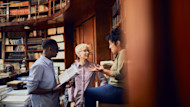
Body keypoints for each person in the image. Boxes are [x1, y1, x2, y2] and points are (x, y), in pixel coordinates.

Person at [84, 28, 126, 107]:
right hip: (116, 87)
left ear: (118, 43)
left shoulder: (123, 53)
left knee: (88, 93)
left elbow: (119, 75)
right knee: (91, 91)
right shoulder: (120, 54)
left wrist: (103, 70)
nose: (109, 47)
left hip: (119, 89)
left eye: (110, 44)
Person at [27, 39, 66, 107]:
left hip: (52, 102)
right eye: (57, 49)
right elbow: (31, 90)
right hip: (44, 103)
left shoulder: (49, 63)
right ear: (50, 49)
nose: (58, 51)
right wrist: (52, 90)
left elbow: (48, 83)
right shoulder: (39, 65)